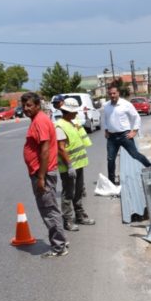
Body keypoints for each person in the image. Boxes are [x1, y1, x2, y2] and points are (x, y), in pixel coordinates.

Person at [21, 92, 68, 258]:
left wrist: (41, 177)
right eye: (24, 105)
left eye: (29, 105)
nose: (26, 109)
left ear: (37, 106)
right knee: (51, 209)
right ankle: (61, 241)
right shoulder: (38, 119)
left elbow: (45, 150)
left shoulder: (40, 121)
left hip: (43, 173)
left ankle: (59, 247)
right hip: (41, 172)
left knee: (49, 211)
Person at [55, 97, 95, 230]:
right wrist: (70, 165)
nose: (76, 113)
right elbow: (61, 148)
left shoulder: (72, 122)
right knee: (68, 194)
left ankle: (80, 216)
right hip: (69, 167)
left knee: (78, 192)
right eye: (74, 111)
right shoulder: (60, 126)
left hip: (78, 164)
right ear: (67, 111)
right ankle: (67, 221)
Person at [101, 85, 151, 184]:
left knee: (134, 155)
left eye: (114, 93)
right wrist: (106, 130)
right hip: (112, 137)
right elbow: (106, 118)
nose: (112, 95)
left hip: (124, 135)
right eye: (110, 94)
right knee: (110, 159)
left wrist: (134, 131)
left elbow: (136, 117)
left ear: (118, 93)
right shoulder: (106, 105)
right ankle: (111, 182)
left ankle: (149, 166)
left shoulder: (126, 104)